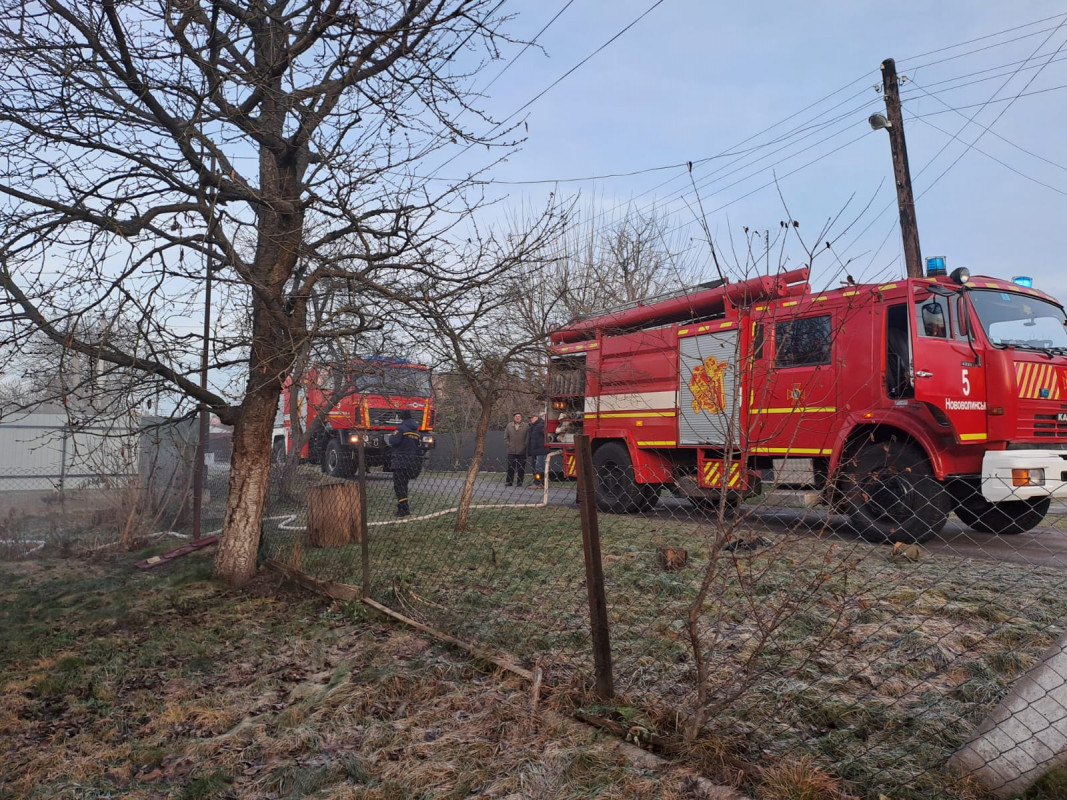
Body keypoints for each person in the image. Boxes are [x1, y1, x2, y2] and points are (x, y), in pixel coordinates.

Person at [388, 409, 421, 517]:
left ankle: (403, 509)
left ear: (402, 417)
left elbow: (394, 441)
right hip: (411, 461)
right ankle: (404, 506)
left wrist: (390, 437)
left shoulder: (401, 429)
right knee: (404, 485)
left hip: (400, 462)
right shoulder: (416, 431)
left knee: (399, 486)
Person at [504, 412, 529, 487]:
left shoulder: (526, 426)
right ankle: (509, 481)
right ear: (514, 417)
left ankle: (519, 482)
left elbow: (528, 437)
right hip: (511, 450)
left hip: (522, 451)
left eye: (519, 416)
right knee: (510, 467)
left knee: (521, 468)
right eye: (516, 416)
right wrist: (509, 444)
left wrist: (525, 445)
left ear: (521, 418)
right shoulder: (509, 425)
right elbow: (505, 437)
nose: (518, 417)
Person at [527, 412, 548, 489]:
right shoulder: (533, 426)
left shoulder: (540, 425)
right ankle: (539, 482)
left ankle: (539, 483)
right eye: (530, 418)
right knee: (536, 467)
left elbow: (546, 435)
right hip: (535, 451)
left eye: (532, 418)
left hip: (541, 450)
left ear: (536, 417)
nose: (530, 419)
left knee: (539, 467)